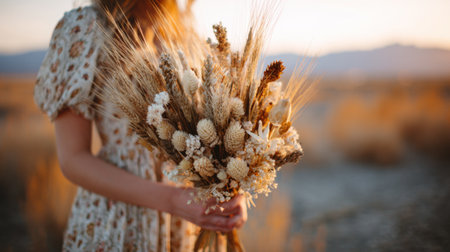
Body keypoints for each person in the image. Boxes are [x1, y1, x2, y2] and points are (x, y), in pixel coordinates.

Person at [33, 0, 247, 251]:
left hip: (191, 220)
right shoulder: (84, 27)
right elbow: (73, 159)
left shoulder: (186, 31)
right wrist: (173, 199)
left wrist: (229, 195)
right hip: (119, 221)